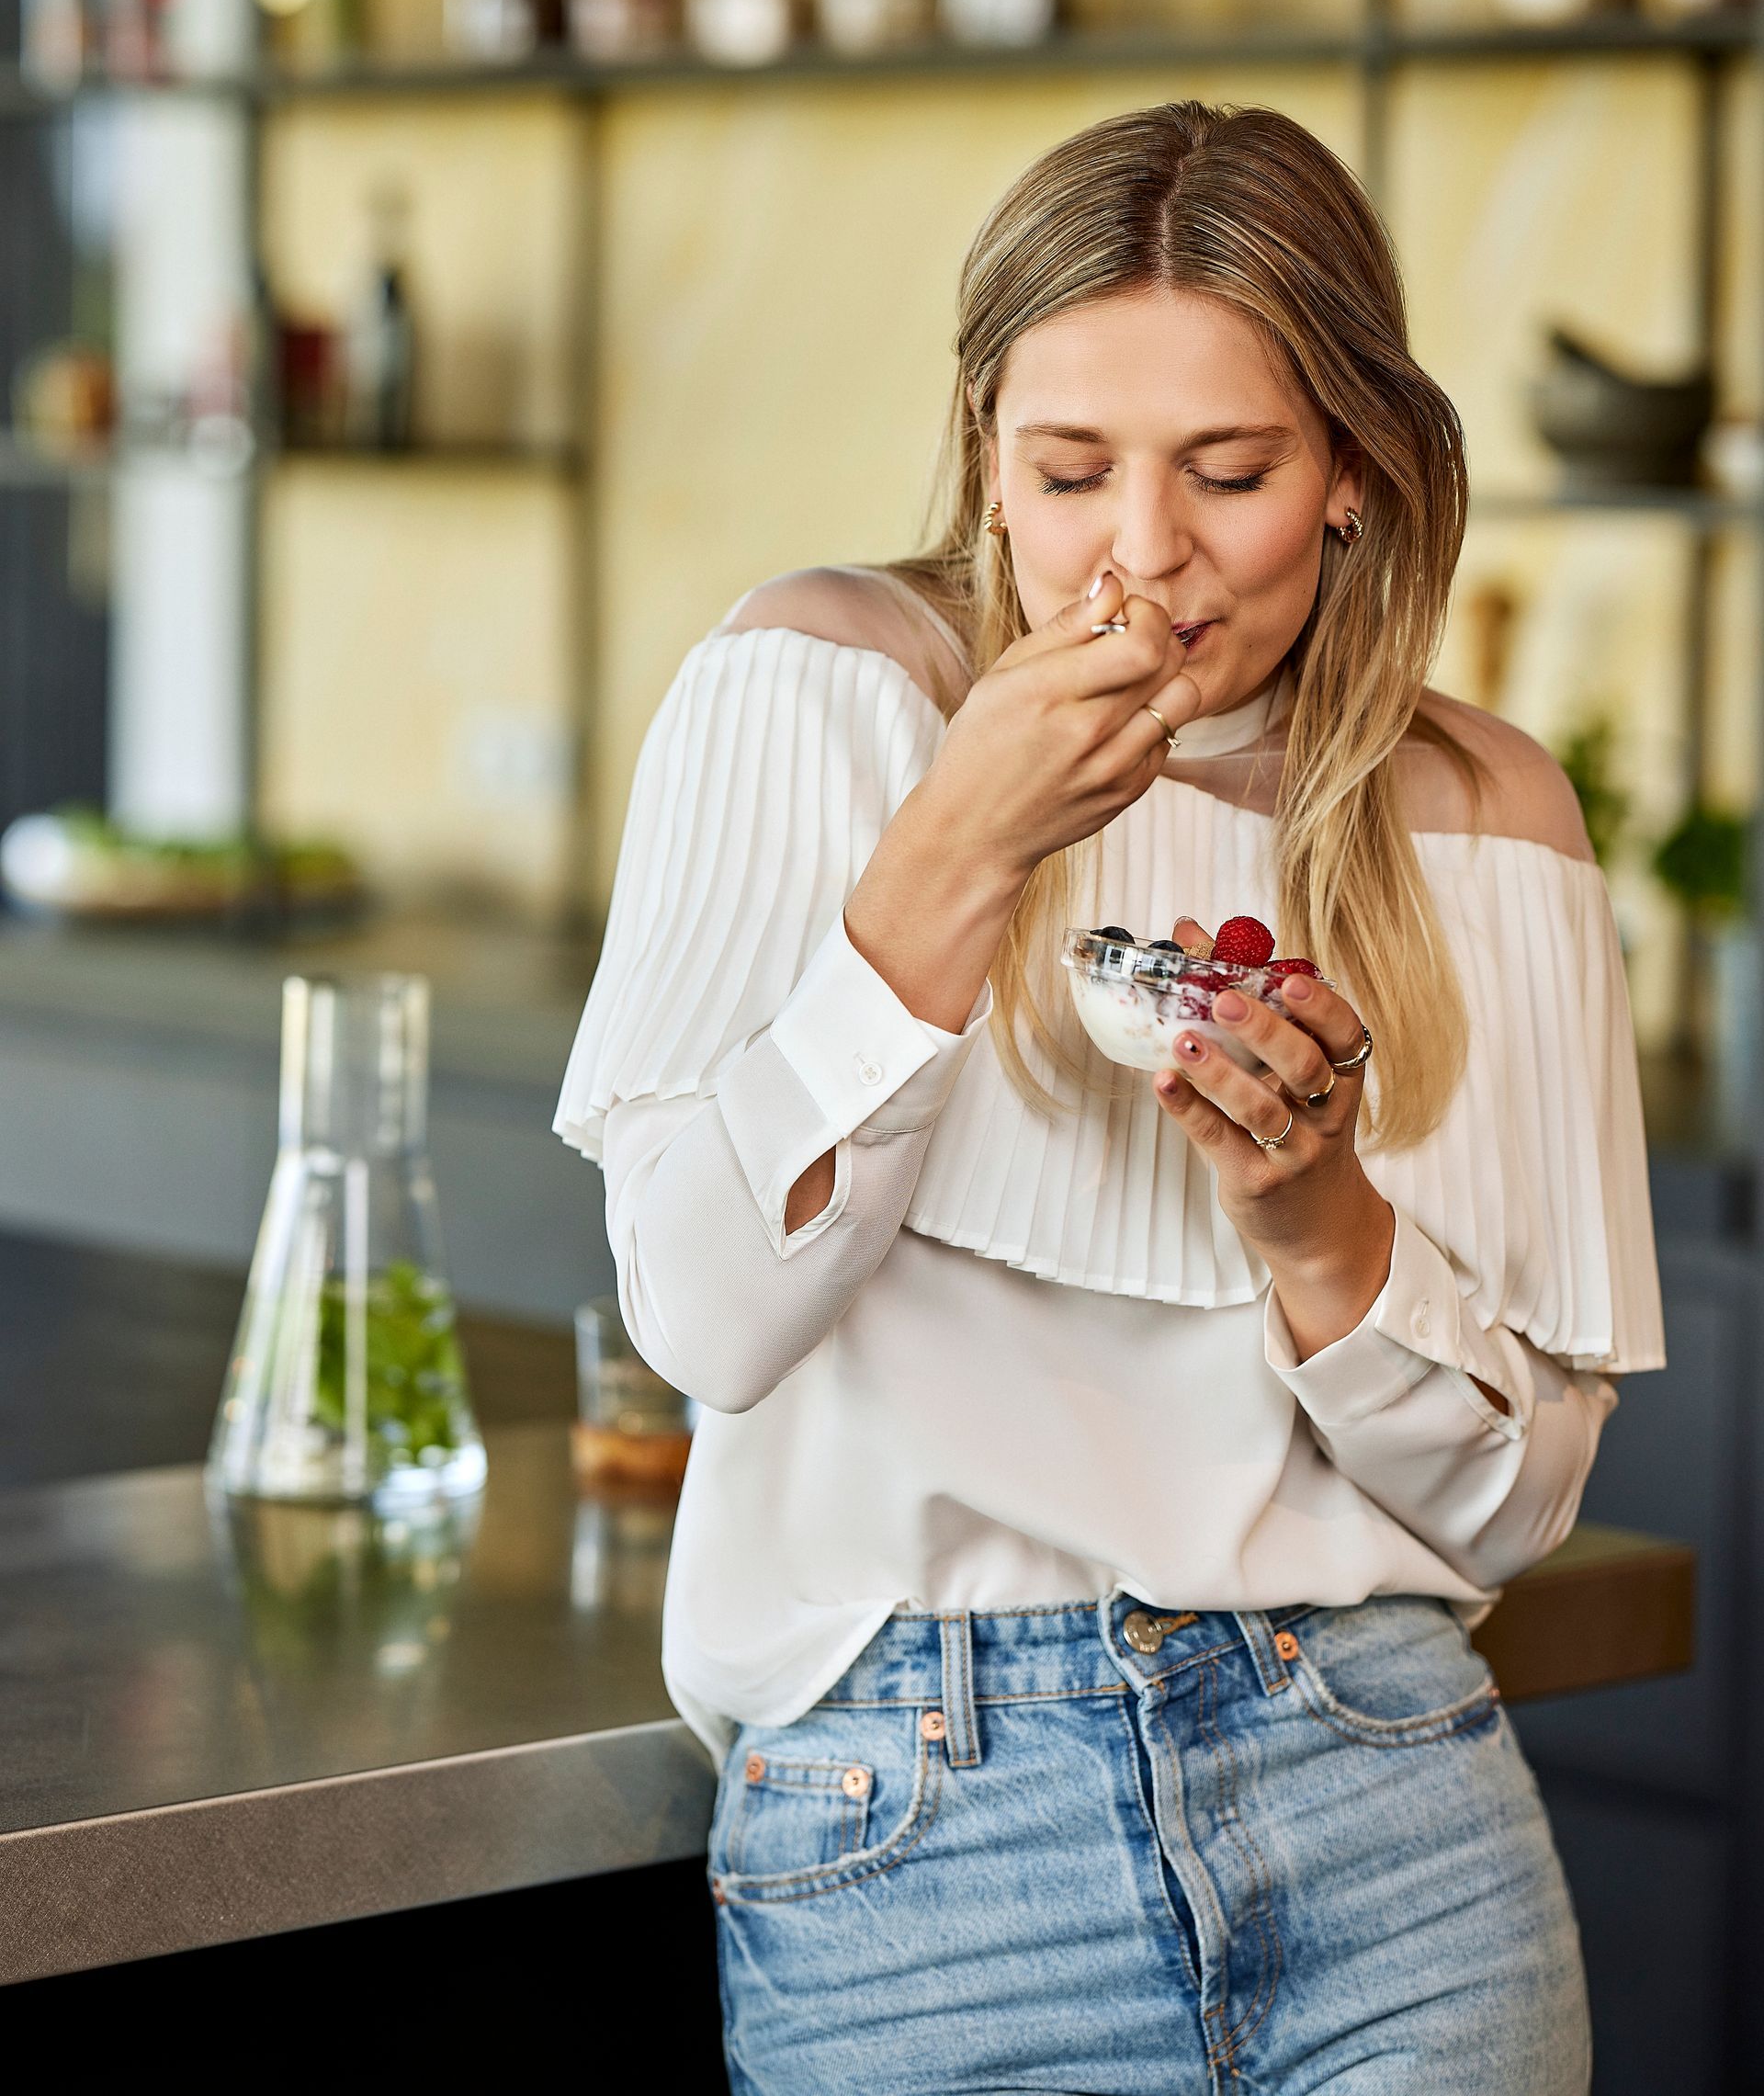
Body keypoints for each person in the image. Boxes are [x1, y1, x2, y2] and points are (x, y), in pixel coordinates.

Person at [556, 100, 1661, 2095]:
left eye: (1227, 472)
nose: (1138, 554)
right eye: (1070, 472)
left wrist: (1318, 1223)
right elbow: (705, 1316)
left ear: (1351, 472)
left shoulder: (1488, 822)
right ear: (988, 449)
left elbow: (1515, 1504)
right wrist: (944, 866)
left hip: (1387, 1799)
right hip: (919, 1838)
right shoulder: (817, 692)